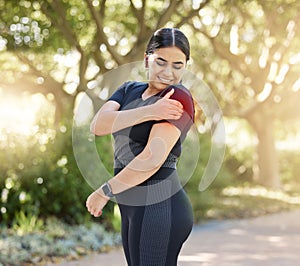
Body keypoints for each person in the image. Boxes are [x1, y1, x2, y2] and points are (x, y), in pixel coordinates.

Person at [86, 28, 195, 266]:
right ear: (147, 58)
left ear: (186, 66)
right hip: (132, 207)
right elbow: (98, 125)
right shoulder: (128, 90)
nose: (168, 72)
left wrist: (105, 190)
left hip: (161, 207)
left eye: (178, 65)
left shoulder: (178, 97)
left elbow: (152, 159)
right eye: (161, 62)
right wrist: (150, 111)